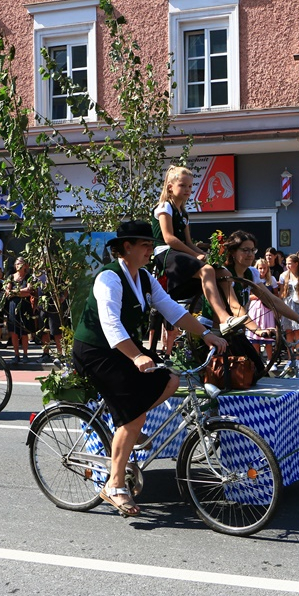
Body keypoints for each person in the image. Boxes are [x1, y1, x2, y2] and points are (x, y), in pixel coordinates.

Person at [72, 220, 228, 517]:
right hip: (96, 350)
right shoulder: (109, 278)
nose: (149, 250)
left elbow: (172, 309)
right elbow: (110, 324)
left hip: (123, 348)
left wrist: (206, 334)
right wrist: (136, 357)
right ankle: (115, 485)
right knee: (133, 414)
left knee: (170, 379)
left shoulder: (144, 277)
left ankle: (127, 422)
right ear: (126, 247)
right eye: (144, 245)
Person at [152, 165, 248, 335]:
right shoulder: (165, 207)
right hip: (166, 253)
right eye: (182, 185)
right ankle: (223, 317)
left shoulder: (183, 213)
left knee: (222, 271)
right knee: (206, 270)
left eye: (190, 186)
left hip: (179, 253)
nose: (188, 190)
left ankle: (234, 311)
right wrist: (196, 255)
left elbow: (188, 242)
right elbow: (169, 238)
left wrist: (206, 255)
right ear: (170, 187)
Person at [279, 253, 299, 371]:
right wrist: (280, 309)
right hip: (287, 305)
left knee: (298, 332)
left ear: (296, 264)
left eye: (290, 263)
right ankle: (290, 359)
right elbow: (281, 293)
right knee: (288, 333)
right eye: (286, 263)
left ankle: (298, 359)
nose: (288, 266)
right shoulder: (283, 276)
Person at [246, 259, 278, 362]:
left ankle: (270, 360)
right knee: (255, 339)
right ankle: (257, 361)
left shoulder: (271, 280)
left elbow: (275, 295)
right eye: (260, 268)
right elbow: (248, 296)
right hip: (255, 309)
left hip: (267, 310)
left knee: (268, 336)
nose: (262, 271)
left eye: (265, 268)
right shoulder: (251, 279)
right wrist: (256, 296)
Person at [5, 257, 36, 364]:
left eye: (21, 263)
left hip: (25, 305)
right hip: (13, 306)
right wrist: (19, 292)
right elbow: (7, 292)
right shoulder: (10, 277)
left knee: (24, 332)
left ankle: (25, 354)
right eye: (17, 263)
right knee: (14, 332)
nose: (19, 265)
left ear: (25, 265)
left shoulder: (29, 277)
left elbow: (29, 291)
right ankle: (16, 354)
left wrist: (14, 292)